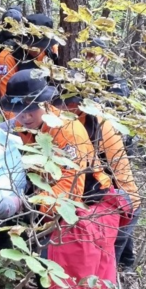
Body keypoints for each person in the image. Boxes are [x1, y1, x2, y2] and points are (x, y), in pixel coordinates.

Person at [0, 70, 146, 289]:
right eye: (17, 109)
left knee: (56, 270)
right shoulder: (26, 127)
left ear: (47, 105)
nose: (22, 117)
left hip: (92, 210)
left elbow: (70, 188)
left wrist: (29, 207)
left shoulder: (68, 131)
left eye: (29, 109)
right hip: (68, 208)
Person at [56, 95, 141, 271]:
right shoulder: (84, 119)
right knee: (120, 254)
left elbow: (93, 168)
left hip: (121, 202)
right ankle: (127, 265)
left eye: (63, 106)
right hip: (120, 198)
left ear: (74, 104)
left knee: (107, 263)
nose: (59, 110)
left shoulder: (95, 124)